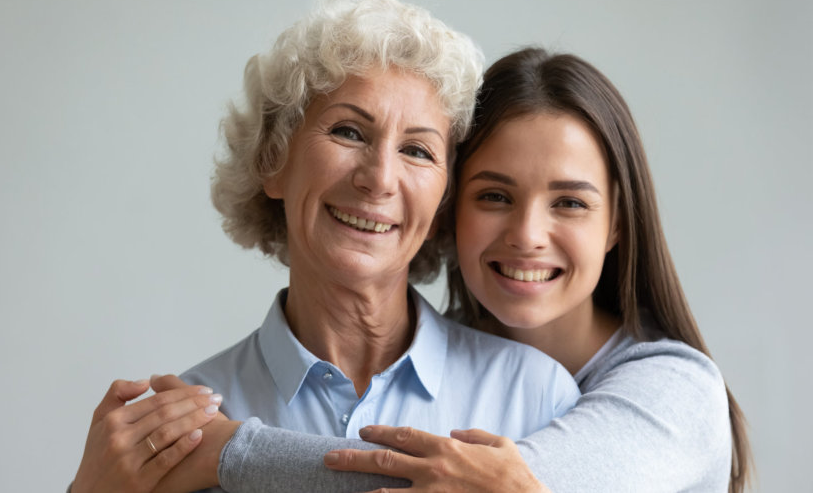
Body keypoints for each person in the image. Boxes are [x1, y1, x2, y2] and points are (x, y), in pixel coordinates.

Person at [155, 48, 754, 492]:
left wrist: (231, 451)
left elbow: (483, 486)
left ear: (618, 224)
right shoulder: (197, 395)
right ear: (449, 210)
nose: (526, 235)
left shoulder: (673, 392)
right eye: (493, 196)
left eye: (570, 202)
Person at [68, 0, 581, 492]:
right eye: (349, 132)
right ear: (273, 160)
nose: (379, 179)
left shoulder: (534, 395)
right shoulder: (178, 431)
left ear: (442, 200)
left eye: (417, 150)